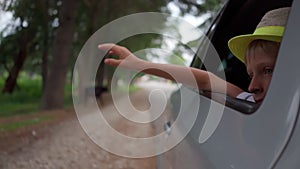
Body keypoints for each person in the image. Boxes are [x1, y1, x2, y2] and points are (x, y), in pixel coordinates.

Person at [98, 7, 290, 104]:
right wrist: (138, 64)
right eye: (250, 75)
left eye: (268, 70)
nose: (252, 86)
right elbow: (205, 80)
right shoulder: (248, 99)